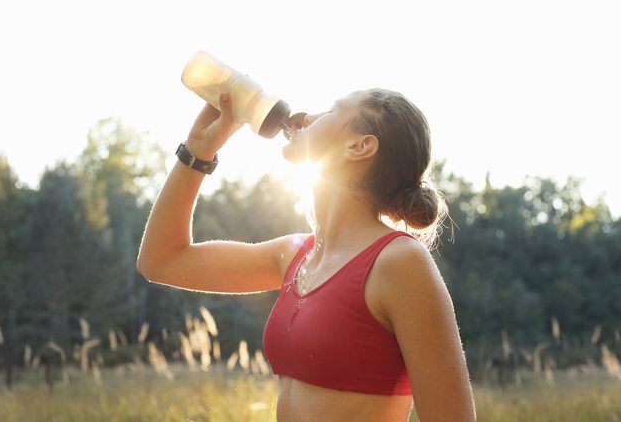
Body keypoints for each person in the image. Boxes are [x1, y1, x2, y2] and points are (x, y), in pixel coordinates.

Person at [137, 88, 476, 421]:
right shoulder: (295, 255)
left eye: (330, 111)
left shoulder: (399, 262)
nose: (305, 117)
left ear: (359, 146)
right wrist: (199, 148)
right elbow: (161, 260)